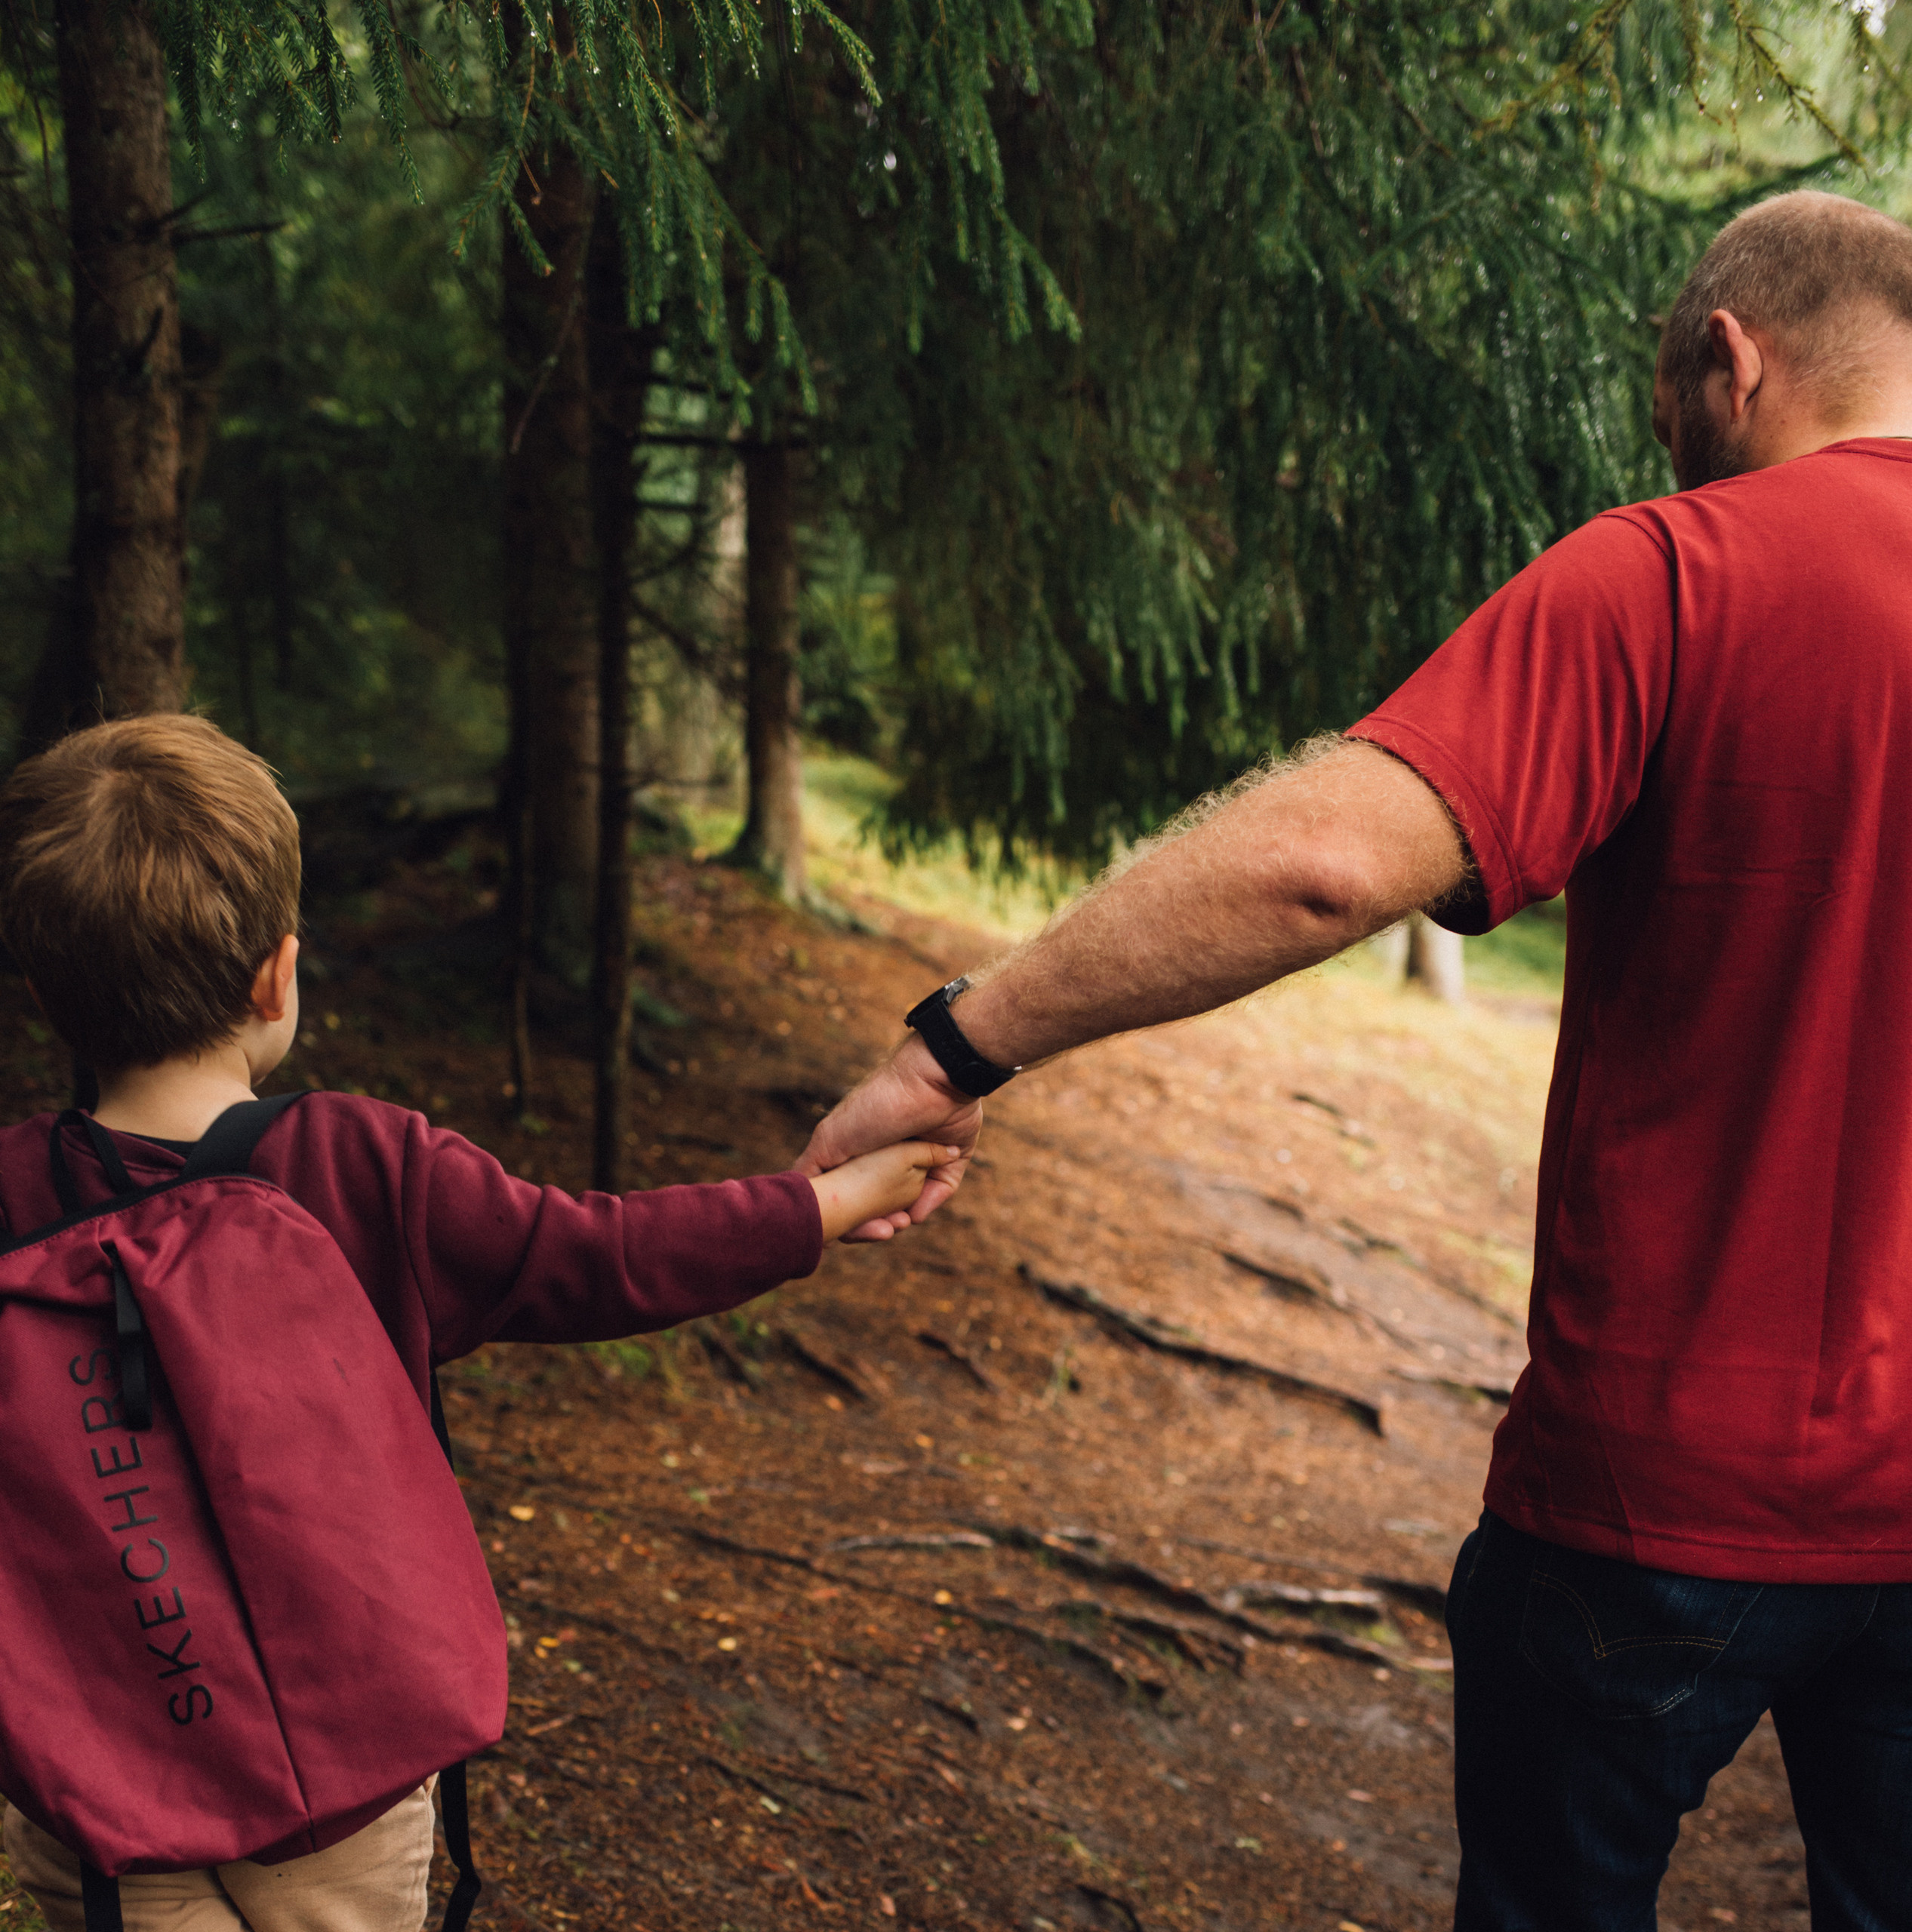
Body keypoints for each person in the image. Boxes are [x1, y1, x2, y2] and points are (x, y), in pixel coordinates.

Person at [802, 189, 1912, 1931]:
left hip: (1654, 1489)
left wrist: (956, 1042)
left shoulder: (1677, 570)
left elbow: (1316, 860)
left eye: (1671, 409)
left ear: (1730, 357)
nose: (1674, 449)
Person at [0, 712, 948, 1932]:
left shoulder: (17, 1192)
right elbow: (603, 1257)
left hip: (100, 1784)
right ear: (276, 975)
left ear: (42, 993)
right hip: (339, 1773)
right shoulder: (357, 1164)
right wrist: (811, 1210)